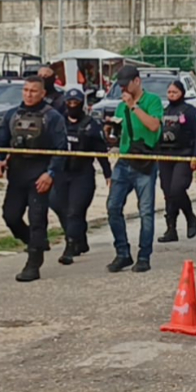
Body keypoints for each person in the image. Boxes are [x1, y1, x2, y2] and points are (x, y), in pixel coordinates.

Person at [0, 76, 68, 283]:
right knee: (10, 216)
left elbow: (61, 149)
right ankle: (35, 243)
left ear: (43, 93)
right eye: (26, 90)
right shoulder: (12, 114)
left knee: (37, 220)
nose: (28, 94)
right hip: (17, 173)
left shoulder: (53, 117)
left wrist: (50, 173)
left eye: (33, 91)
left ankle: (33, 264)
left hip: (40, 173)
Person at [105, 65, 163, 274]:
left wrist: (133, 107)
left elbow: (153, 126)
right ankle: (122, 252)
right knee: (113, 206)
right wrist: (112, 130)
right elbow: (123, 130)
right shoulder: (122, 105)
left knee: (146, 211)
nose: (123, 89)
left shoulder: (152, 101)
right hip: (124, 160)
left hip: (145, 162)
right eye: (120, 85)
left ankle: (144, 256)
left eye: (125, 85)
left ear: (136, 82)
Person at [53, 88, 112, 266]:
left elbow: (101, 152)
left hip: (83, 174)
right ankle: (80, 238)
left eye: (76, 103)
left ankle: (70, 247)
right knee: (59, 206)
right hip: (61, 172)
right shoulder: (58, 123)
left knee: (75, 211)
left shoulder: (91, 125)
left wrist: (108, 175)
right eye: (69, 103)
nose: (72, 106)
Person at [158, 80, 196, 243]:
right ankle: (171, 228)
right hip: (165, 156)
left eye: (175, 92)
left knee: (177, 189)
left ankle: (191, 217)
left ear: (182, 93)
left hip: (184, 155)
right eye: (169, 92)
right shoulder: (164, 111)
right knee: (167, 192)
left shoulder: (190, 111)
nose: (171, 95)